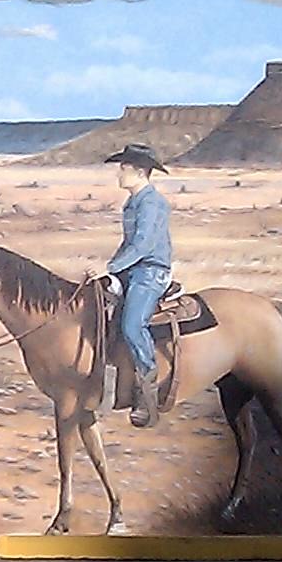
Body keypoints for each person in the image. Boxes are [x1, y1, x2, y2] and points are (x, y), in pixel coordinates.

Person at [98, 144, 174, 425]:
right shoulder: (132, 202)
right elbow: (127, 244)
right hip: (132, 270)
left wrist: (111, 268)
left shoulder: (151, 203)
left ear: (140, 172)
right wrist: (110, 267)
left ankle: (147, 393)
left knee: (132, 325)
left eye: (124, 168)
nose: (119, 174)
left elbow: (143, 245)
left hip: (150, 272)